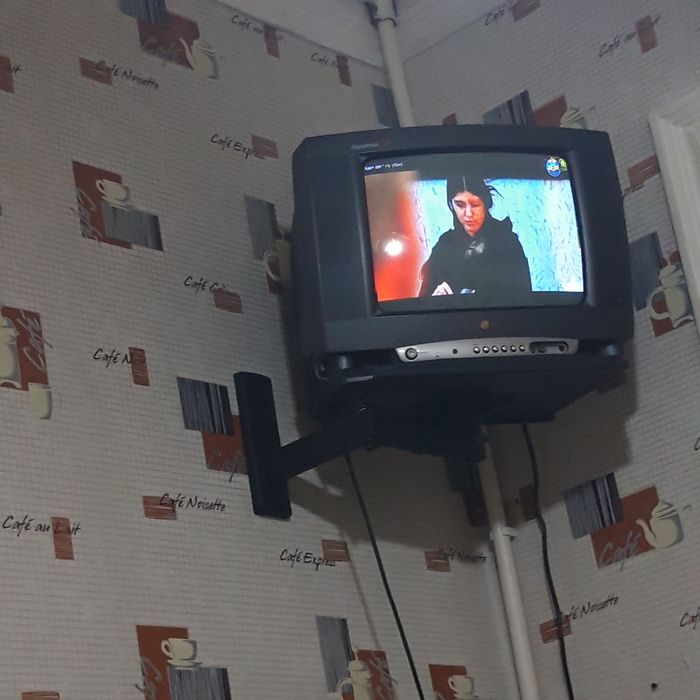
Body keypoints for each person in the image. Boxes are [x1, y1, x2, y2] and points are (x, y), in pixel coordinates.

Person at [419, 174, 531, 302]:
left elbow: (524, 299)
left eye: (475, 204)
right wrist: (435, 299)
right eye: (460, 205)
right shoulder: (444, 246)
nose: (468, 214)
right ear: (451, 205)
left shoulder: (507, 243)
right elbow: (422, 302)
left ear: (486, 203)